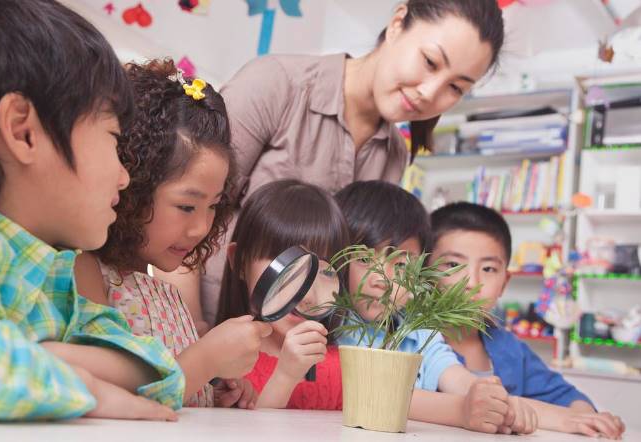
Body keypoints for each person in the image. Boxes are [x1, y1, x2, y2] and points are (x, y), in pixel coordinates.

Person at [0, 0, 181, 421]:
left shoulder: (51, 274)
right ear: (23, 131)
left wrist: (45, 355)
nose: (124, 177)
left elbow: (160, 371)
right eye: (114, 139)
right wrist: (86, 387)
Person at [196, 0, 507, 330]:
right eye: (430, 62)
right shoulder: (276, 84)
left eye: (455, 87)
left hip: (297, 343)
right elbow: (190, 213)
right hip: (210, 322)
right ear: (398, 23)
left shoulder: (394, 154)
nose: (430, 93)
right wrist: (193, 327)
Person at [216, 180, 534, 434]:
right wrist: (286, 374)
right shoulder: (230, 349)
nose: (304, 290)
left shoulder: (342, 353)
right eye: (365, 259)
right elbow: (255, 429)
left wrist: (486, 400)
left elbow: (418, 387)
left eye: (322, 271)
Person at [75, 59, 270, 409]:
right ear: (131, 186)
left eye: (214, 206)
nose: (202, 228)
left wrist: (210, 389)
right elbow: (103, 394)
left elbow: (177, 385)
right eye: (186, 206)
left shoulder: (165, 294)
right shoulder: (86, 270)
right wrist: (206, 360)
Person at [430, 202, 626, 439]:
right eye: (453, 265)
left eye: (489, 269)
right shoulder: (414, 342)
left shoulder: (510, 348)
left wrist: (585, 418)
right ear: (422, 272)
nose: (471, 282)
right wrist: (562, 418)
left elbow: (567, 397)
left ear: (504, 283)